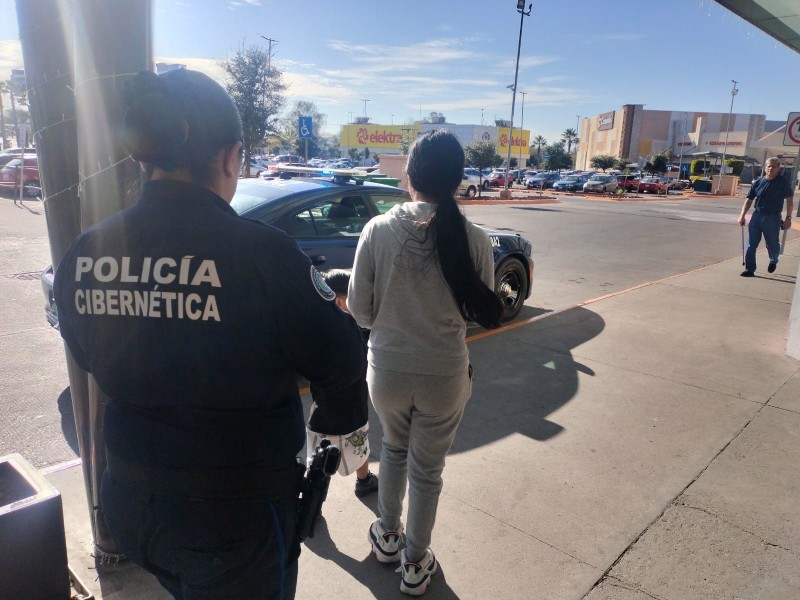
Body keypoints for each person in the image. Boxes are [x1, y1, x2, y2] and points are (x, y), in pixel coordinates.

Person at [53, 69, 368, 600]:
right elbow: (342, 360)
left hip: (129, 502)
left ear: (147, 157)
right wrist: (333, 421)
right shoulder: (263, 255)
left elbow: (85, 352)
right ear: (231, 157)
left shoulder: (87, 251)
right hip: (232, 523)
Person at [347, 129, 503, 596]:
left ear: (409, 175)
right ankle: (415, 563)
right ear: (457, 179)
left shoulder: (377, 230)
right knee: (427, 471)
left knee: (393, 449)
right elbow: (477, 313)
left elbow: (361, 312)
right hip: (444, 374)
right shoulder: (475, 238)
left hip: (387, 372)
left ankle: (386, 536)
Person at [305, 269, 378, 498]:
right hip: (351, 409)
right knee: (359, 446)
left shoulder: (316, 329)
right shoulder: (350, 330)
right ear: (339, 302)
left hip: (322, 408)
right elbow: (357, 367)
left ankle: (314, 498)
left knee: (319, 456)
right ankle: (364, 480)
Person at [738, 157, 794, 276]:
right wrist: (742, 215)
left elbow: (789, 201)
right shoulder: (758, 182)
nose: (771, 168)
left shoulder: (783, 182)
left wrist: (788, 218)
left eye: (774, 166)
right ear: (765, 167)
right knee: (751, 244)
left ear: (778, 169)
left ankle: (773, 260)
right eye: (769, 166)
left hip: (773, 218)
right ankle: (750, 269)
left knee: (772, 245)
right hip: (757, 216)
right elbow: (749, 200)